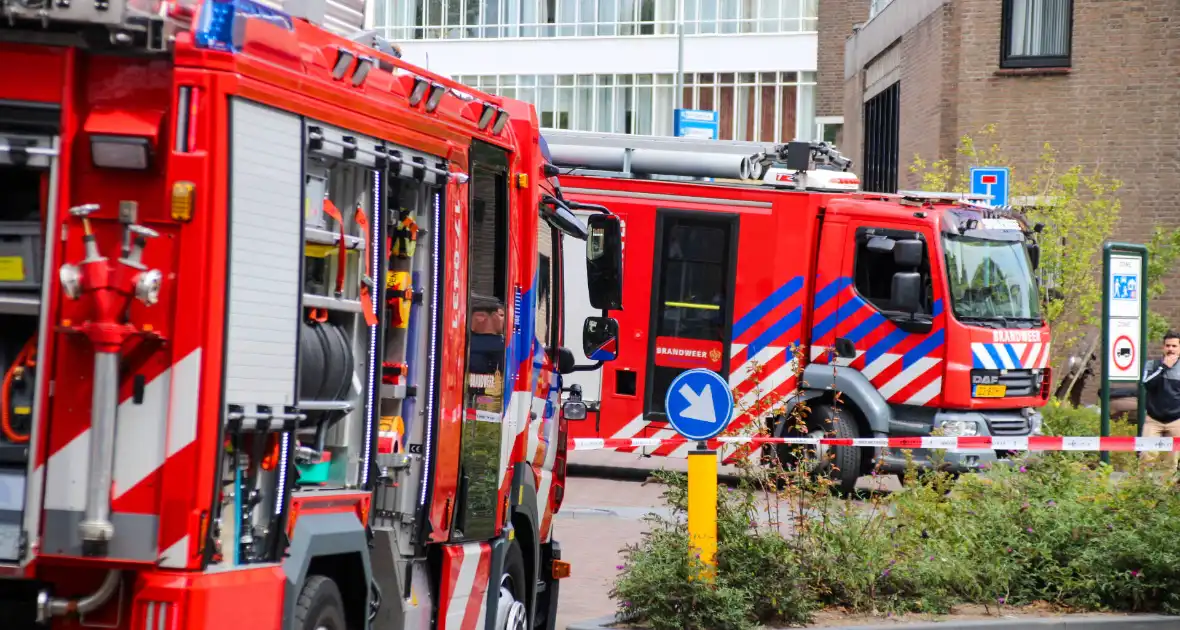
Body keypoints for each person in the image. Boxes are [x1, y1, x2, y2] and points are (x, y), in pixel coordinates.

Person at [1142, 331, 1180, 471]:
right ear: (1163, 347)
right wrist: (1163, 367)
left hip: (1176, 420)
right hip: (1153, 420)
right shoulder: (1152, 365)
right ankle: (1144, 483)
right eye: (1167, 345)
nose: (1170, 349)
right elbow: (1147, 384)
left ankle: (1168, 484)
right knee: (1147, 457)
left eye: (1174, 346)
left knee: (1172, 461)